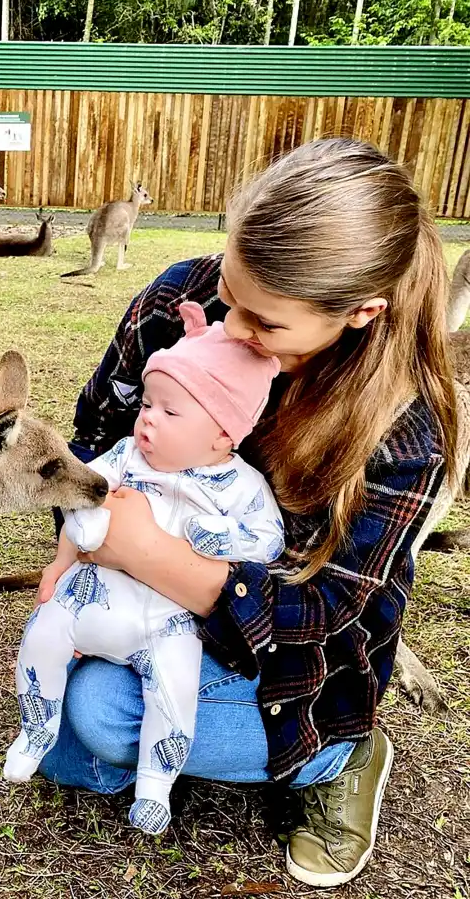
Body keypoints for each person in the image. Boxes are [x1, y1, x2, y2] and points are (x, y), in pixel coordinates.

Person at [33, 137, 458, 888]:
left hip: (288, 647)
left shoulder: (403, 427)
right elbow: (97, 433)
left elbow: (324, 608)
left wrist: (141, 553)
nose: (230, 330)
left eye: (265, 324)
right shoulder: (176, 302)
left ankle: (342, 755)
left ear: (360, 312)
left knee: (98, 715)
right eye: (231, 294)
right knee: (65, 703)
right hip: (148, 594)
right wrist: (79, 560)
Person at [4, 301, 285, 837]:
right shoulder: (126, 455)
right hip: (96, 596)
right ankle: (34, 730)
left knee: (172, 690)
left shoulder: (241, 486)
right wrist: (61, 565)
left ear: (224, 435)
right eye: (148, 404)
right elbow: (81, 497)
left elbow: (268, 542)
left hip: (169, 621)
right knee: (43, 634)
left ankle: (155, 784)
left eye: (171, 411)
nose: (149, 418)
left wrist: (222, 537)